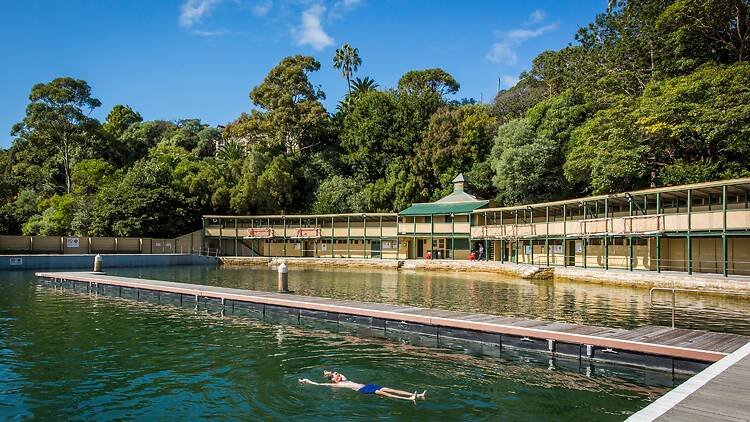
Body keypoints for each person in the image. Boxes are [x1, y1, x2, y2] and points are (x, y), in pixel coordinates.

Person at [299, 370, 427, 403]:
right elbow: (319, 384)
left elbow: (339, 374)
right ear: (334, 380)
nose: (338, 374)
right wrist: (307, 380)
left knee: (389, 389)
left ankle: (415, 394)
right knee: (385, 394)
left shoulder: (343, 379)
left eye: (337, 373)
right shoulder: (338, 385)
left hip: (368, 385)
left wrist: (328, 373)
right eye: (335, 375)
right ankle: (409, 399)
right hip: (362, 390)